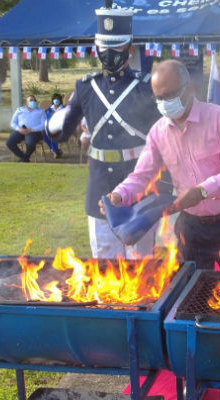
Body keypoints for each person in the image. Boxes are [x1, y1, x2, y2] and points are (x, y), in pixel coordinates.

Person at [102, 60, 220, 271]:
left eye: (169, 95)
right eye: (159, 98)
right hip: (191, 225)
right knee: (190, 293)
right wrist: (120, 195)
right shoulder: (158, 132)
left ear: (189, 88)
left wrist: (203, 190)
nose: (164, 102)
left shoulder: (219, 118)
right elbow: (142, 176)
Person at [45, 2, 162, 259]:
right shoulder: (86, 87)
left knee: (139, 262)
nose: (109, 53)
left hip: (137, 181)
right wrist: (54, 124)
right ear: (96, 48)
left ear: (130, 49)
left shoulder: (146, 87)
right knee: (106, 261)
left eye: (116, 46)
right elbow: (62, 131)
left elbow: (164, 135)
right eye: (104, 47)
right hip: (99, 184)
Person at [7, 95, 47, 162]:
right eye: (31, 100)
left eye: (34, 100)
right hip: (20, 130)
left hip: (34, 132)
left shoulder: (41, 111)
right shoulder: (19, 110)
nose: (33, 102)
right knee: (9, 142)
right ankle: (24, 158)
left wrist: (31, 129)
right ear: (26, 102)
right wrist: (18, 129)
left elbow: (44, 125)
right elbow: (13, 123)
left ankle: (24, 159)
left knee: (30, 143)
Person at [43, 93, 64, 159]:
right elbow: (45, 118)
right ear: (52, 100)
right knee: (43, 134)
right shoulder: (49, 109)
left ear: (60, 100)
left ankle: (55, 151)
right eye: (55, 99)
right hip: (49, 126)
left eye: (58, 99)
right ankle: (55, 150)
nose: (56, 100)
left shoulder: (63, 108)